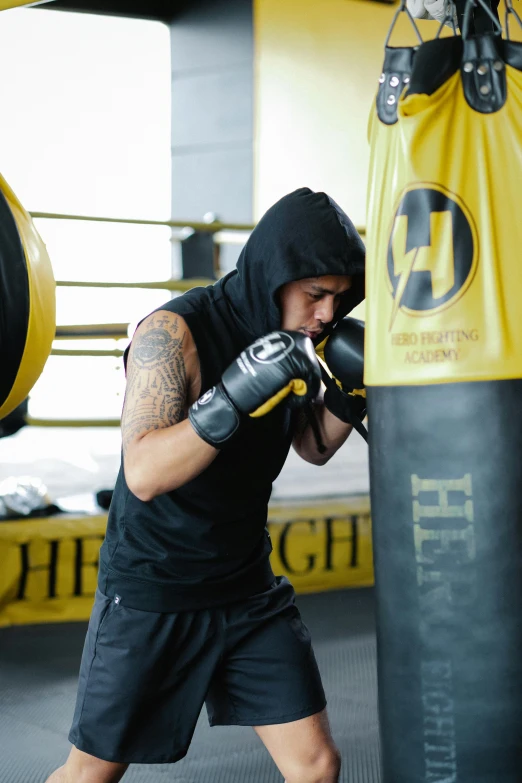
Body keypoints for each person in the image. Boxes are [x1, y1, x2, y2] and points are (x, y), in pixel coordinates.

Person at [46, 187, 366, 783]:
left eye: (339, 300)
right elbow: (142, 474)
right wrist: (233, 397)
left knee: (317, 766)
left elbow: (313, 447)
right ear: (275, 276)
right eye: (315, 294)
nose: (327, 314)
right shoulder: (174, 332)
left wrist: (350, 394)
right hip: (155, 590)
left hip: (247, 588)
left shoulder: (297, 345)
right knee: (90, 773)